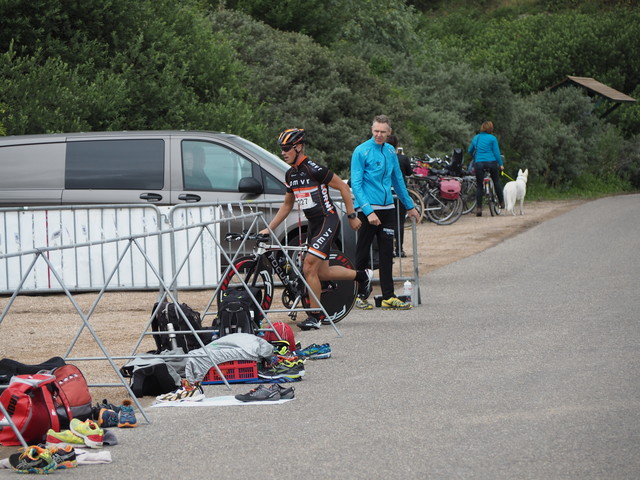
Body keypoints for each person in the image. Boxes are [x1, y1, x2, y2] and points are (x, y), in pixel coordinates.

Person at [260, 128, 373, 330]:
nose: (283, 153)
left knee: (309, 266)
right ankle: (362, 276)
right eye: (281, 149)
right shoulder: (290, 174)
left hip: (328, 220)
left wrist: (351, 215)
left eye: (286, 148)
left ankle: (315, 316)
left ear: (299, 147)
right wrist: (269, 228)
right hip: (314, 224)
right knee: (323, 272)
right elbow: (287, 205)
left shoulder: (315, 169)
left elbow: (344, 188)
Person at [350, 115, 420, 310]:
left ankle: (388, 295)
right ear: (371, 130)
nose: (379, 135)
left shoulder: (390, 151)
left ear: (389, 133)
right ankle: (358, 295)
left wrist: (410, 206)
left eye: (383, 132)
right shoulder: (361, 151)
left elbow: (398, 180)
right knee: (363, 253)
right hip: (368, 211)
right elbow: (355, 183)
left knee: (387, 253)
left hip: (388, 207)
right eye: (376, 131)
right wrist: (368, 210)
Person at [467, 120, 505, 216]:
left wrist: (475, 157)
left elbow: (469, 150)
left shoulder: (476, 138)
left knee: (479, 186)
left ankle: (479, 208)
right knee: (496, 181)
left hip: (479, 163)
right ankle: (501, 202)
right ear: (491, 128)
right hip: (491, 163)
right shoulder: (492, 138)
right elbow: (496, 153)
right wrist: (501, 164)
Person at [387, 135, 413, 258]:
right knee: (399, 223)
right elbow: (409, 172)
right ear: (397, 145)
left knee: (387, 223)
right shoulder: (402, 158)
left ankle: (388, 249)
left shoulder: (383, 158)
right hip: (399, 194)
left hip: (386, 194)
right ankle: (399, 249)